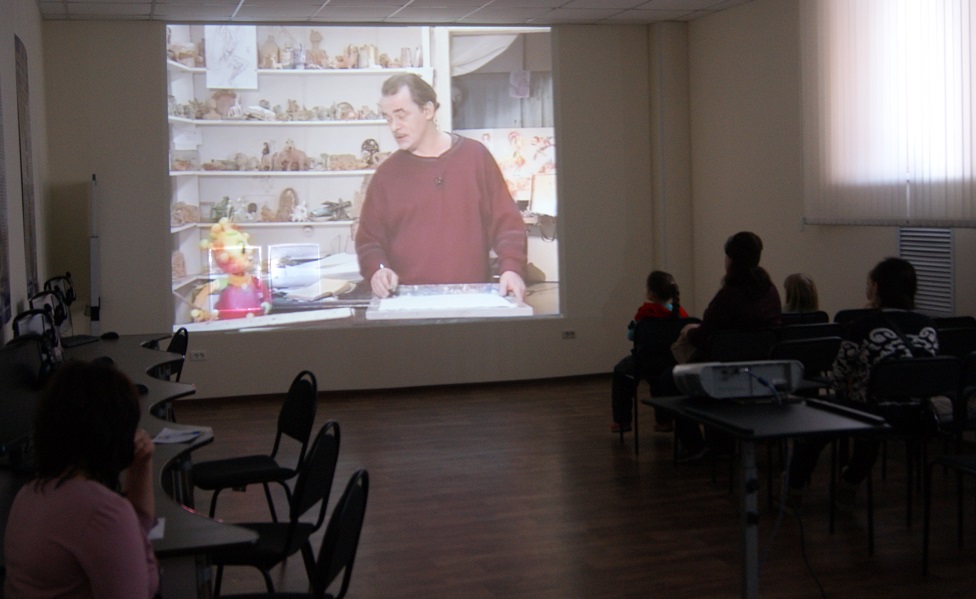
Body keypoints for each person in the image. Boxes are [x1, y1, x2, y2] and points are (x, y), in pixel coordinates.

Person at [783, 257, 939, 513]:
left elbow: (838, 375)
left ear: (876, 288)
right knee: (870, 430)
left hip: (869, 413)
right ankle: (849, 485)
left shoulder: (863, 326)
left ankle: (793, 491)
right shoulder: (929, 326)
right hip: (915, 416)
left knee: (814, 421)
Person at [355, 73, 528, 300]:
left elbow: (507, 225)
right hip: (406, 303)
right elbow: (369, 241)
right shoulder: (387, 175)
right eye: (388, 118)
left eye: (401, 116)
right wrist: (378, 270)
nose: (394, 127)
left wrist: (511, 268)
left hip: (472, 300)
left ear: (428, 110)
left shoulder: (475, 157)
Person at [3, 360, 160, 598]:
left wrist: (141, 467)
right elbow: (140, 567)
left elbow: (135, 532)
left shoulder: (28, 495)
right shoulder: (103, 512)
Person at [673, 231, 782, 460]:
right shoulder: (770, 291)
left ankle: (698, 446)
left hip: (722, 370)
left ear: (731, 259)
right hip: (761, 370)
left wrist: (689, 330)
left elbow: (705, 337)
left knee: (670, 379)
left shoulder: (729, 295)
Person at [610, 271, 689, 434]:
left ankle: (622, 421)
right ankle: (664, 421)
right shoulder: (680, 313)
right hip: (671, 362)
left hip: (645, 361)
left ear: (651, 294)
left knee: (621, 373)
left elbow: (632, 335)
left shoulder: (646, 312)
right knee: (660, 380)